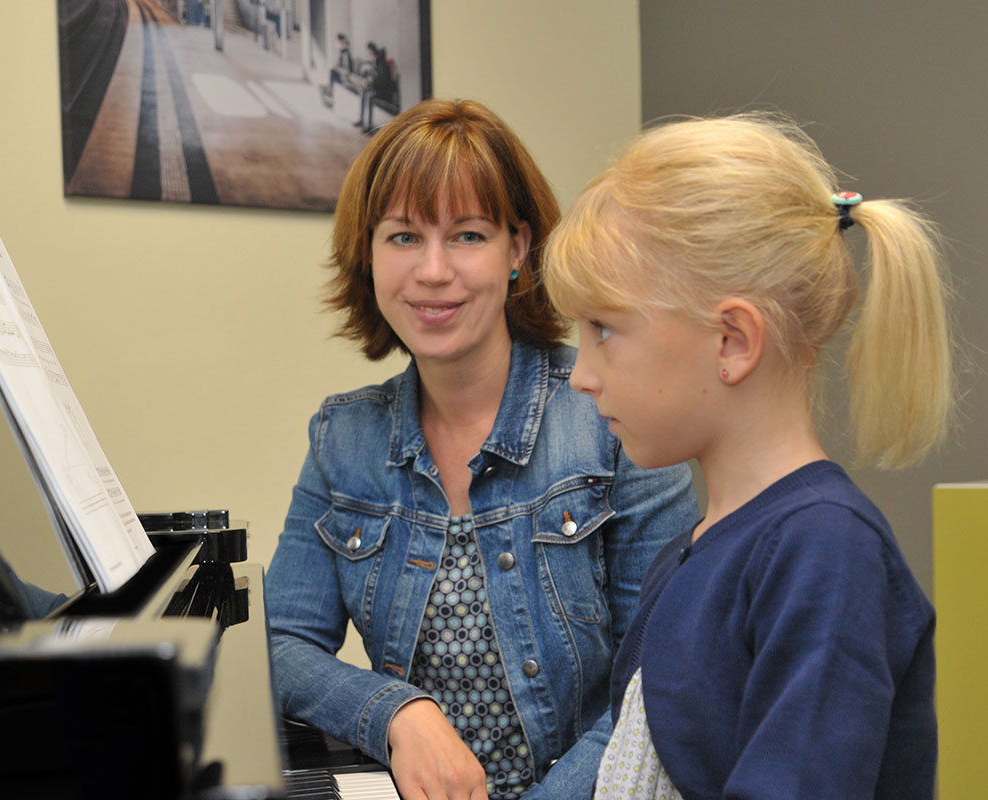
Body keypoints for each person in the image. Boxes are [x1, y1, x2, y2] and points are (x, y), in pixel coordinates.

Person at [265, 98, 698, 800]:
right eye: (404, 238)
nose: (433, 271)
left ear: (518, 248)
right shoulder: (343, 440)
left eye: (467, 235)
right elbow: (280, 645)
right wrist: (396, 713)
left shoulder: (613, 419)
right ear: (368, 254)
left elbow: (660, 680)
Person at [542, 113, 949, 798]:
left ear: (733, 340)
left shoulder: (826, 553)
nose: (580, 374)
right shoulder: (697, 550)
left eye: (604, 329)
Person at [354, 41, 396, 132]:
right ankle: (361, 120)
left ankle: (369, 125)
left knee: (369, 97)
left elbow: (384, 81)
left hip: (384, 91)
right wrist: (370, 81)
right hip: (379, 89)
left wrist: (373, 80)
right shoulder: (378, 66)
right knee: (363, 93)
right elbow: (376, 78)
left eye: (371, 55)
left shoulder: (383, 66)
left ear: (375, 55)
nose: (370, 57)